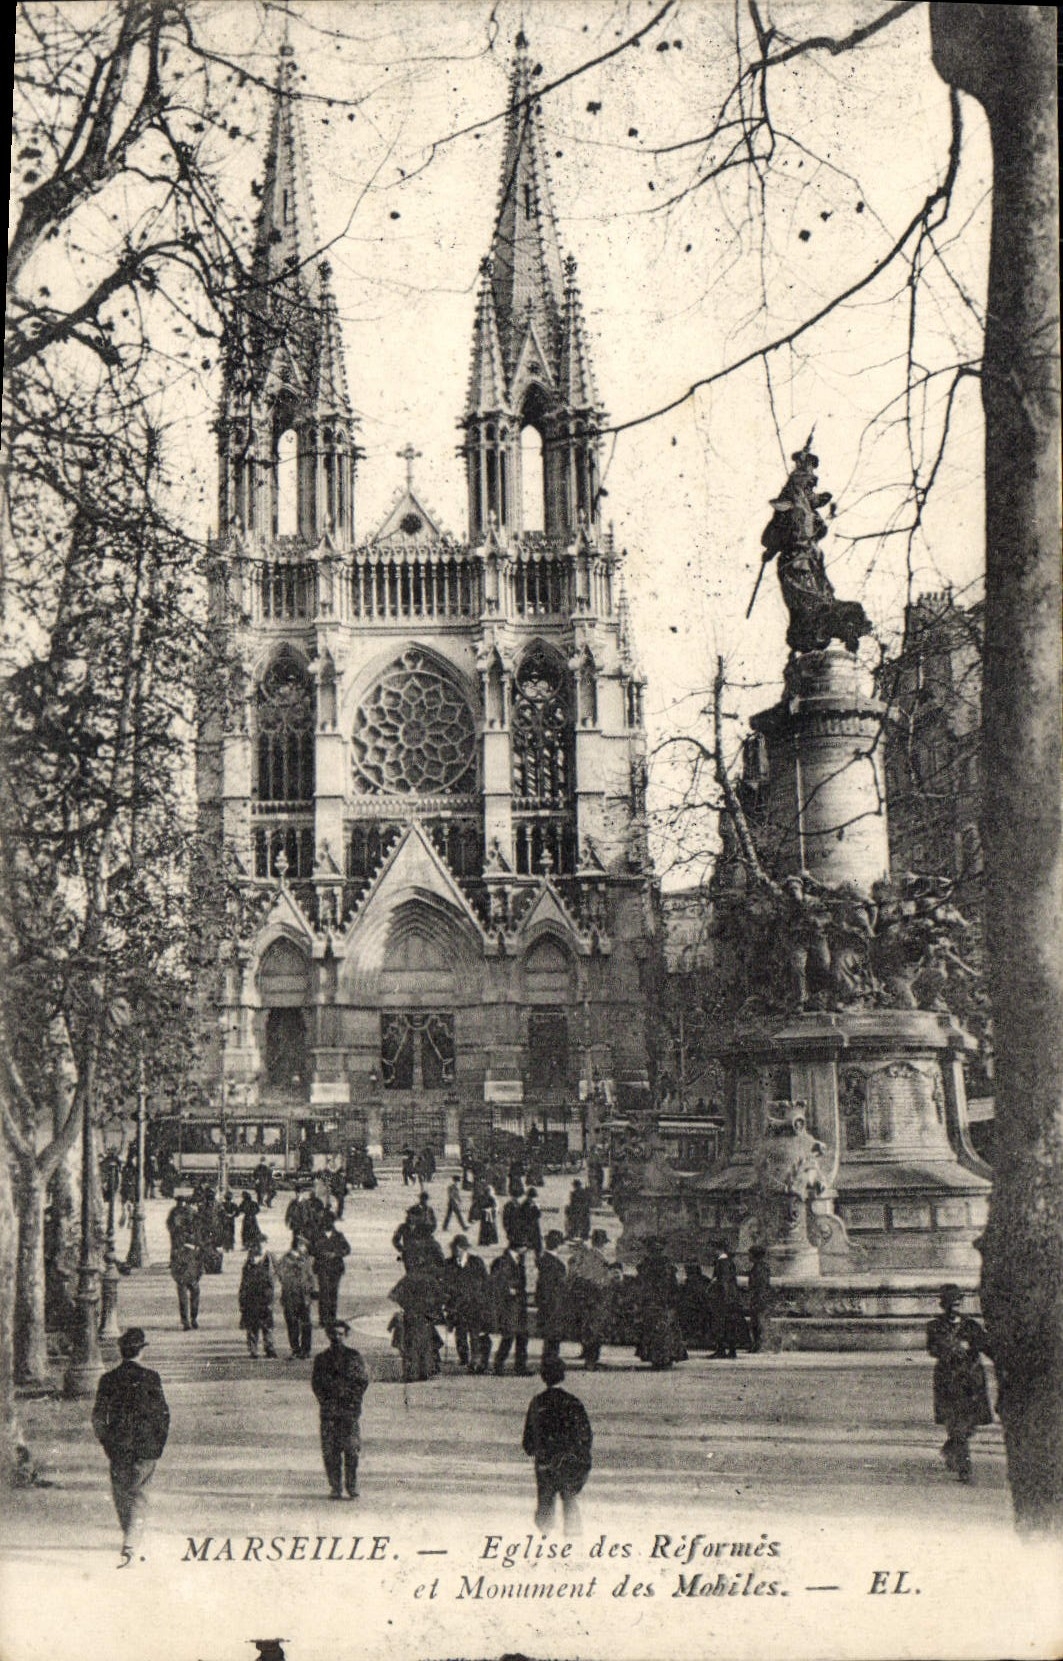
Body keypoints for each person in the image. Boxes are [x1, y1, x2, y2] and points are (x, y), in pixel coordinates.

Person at [92, 1327, 170, 1561]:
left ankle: (129, 1536)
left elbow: (98, 1416)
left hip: (118, 1446)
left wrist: (106, 1441)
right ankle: (132, 1541)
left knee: (121, 1493)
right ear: (141, 1351)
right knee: (140, 1493)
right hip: (146, 1446)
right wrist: (158, 1443)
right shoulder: (151, 1378)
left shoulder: (108, 1379)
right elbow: (163, 1414)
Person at [926, 1285, 994, 1483]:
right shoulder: (934, 1326)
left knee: (970, 1424)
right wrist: (949, 1348)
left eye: (957, 1302)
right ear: (943, 1304)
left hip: (971, 1380)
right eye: (949, 1303)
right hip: (948, 1379)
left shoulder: (971, 1325)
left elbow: (986, 1346)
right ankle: (965, 1469)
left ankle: (950, 1448)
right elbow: (932, 1349)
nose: (954, 1306)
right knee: (956, 1425)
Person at [521, 1357, 593, 1536]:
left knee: (545, 1500)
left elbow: (529, 1438)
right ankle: (573, 1536)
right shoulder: (573, 1402)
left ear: (543, 1377)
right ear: (563, 1376)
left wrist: (534, 1450)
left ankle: (544, 1536)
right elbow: (585, 1433)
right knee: (569, 1499)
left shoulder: (538, 1402)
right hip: (569, 1460)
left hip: (545, 1460)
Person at [311, 1320, 369, 1500]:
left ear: (346, 1335)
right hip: (329, 1411)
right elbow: (316, 1384)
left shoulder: (354, 1357)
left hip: (349, 1411)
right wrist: (325, 1401)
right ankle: (335, 1487)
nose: (336, 1337)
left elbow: (362, 1381)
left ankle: (351, 1485)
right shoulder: (321, 1359)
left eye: (340, 1334)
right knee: (330, 1451)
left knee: (352, 1450)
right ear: (328, 1335)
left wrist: (353, 1400)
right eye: (333, 1334)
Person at [634, 1240, 686, 1370]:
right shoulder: (667, 1265)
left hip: (652, 1302)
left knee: (654, 1330)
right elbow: (673, 1286)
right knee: (665, 1330)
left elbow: (640, 1285)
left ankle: (656, 1357)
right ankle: (665, 1358)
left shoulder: (645, 1265)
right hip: (664, 1302)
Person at [567, 1228, 613, 1369]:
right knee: (595, 1329)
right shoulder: (596, 1257)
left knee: (591, 1328)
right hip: (595, 1298)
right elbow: (595, 1279)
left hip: (590, 1298)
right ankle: (591, 1360)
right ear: (601, 1243)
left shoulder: (589, 1255)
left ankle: (590, 1357)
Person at [490, 1242, 530, 1375]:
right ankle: (499, 1365)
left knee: (522, 1335)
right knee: (509, 1335)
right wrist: (508, 1289)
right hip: (509, 1305)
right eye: (525, 1246)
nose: (527, 1249)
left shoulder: (519, 1260)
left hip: (519, 1303)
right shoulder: (502, 1261)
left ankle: (520, 1366)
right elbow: (495, 1282)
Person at [276, 1236, 317, 1358]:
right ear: (297, 1245)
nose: (304, 1248)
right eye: (302, 1246)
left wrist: (311, 1289)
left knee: (306, 1324)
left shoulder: (308, 1260)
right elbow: (280, 1274)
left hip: (304, 1297)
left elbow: (311, 1277)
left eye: (304, 1246)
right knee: (292, 1324)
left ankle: (306, 1350)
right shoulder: (286, 1260)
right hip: (290, 1296)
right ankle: (295, 1349)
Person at [239, 1239, 278, 1358]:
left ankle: (266, 1348)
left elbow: (272, 1280)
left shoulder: (266, 1262)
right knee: (254, 1327)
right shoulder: (248, 1266)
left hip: (262, 1299)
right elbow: (244, 1285)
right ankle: (256, 1349)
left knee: (265, 1326)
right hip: (253, 1300)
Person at [536, 1230, 569, 1366]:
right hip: (554, 1303)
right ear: (559, 1245)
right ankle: (551, 1360)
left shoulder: (544, 1260)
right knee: (554, 1334)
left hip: (546, 1302)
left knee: (550, 1334)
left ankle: (549, 1358)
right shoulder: (556, 1263)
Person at [312, 1215, 351, 1329]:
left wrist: (336, 1253)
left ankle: (332, 1318)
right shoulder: (317, 1235)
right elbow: (311, 1250)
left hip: (335, 1269)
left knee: (333, 1293)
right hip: (322, 1268)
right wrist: (321, 1253)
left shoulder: (339, 1236)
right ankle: (324, 1319)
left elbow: (347, 1249)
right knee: (324, 1293)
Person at [710, 1246, 749, 1360]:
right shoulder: (728, 1262)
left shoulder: (722, 1262)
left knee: (722, 1324)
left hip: (724, 1299)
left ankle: (722, 1349)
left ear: (718, 1249)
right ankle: (730, 1350)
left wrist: (724, 1297)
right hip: (730, 1299)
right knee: (730, 1324)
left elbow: (724, 1282)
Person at [170, 1236, 203, 1331]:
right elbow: (174, 1269)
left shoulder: (185, 1253)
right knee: (188, 1300)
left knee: (187, 1300)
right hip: (186, 1279)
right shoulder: (182, 1253)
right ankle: (190, 1320)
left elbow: (200, 1267)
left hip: (188, 1279)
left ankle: (189, 1320)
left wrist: (197, 1278)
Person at [747, 1247, 772, 1353]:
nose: (748, 1257)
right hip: (760, 1297)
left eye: (750, 1254)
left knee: (758, 1322)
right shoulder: (761, 1267)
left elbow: (759, 1284)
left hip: (759, 1298)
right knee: (757, 1322)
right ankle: (757, 1345)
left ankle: (760, 1346)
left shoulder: (759, 1268)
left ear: (754, 1255)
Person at [478, 1183, 499, 1248]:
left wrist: (491, 1210)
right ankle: (484, 1241)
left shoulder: (493, 1198)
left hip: (491, 1216)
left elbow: (496, 1207)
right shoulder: (483, 1197)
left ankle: (489, 1241)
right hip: (485, 1215)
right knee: (485, 1228)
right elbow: (479, 1205)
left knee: (489, 1228)